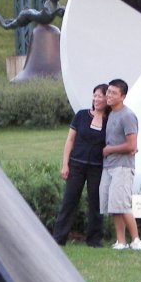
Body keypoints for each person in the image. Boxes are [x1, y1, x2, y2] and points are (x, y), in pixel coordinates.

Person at [51, 84, 109, 247]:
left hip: (97, 167)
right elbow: (70, 140)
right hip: (77, 164)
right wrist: (65, 164)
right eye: (95, 95)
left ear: (107, 100)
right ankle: (59, 238)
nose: (97, 99)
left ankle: (94, 240)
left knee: (96, 203)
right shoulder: (82, 115)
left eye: (101, 96)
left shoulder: (109, 121)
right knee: (69, 201)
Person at [100, 79, 141, 250]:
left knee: (123, 204)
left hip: (123, 166)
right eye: (108, 92)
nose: (109, 95)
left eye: (113, 93)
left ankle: (136, 240)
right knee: (114, 205)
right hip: (109, 166)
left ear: (123, 96)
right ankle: (121, 241)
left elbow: (132, 145)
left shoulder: (127, 116)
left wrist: (110, 149)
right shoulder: (111, 114)